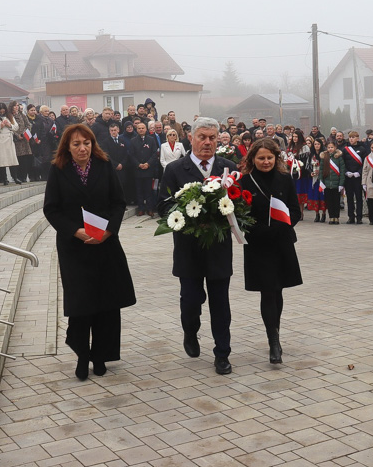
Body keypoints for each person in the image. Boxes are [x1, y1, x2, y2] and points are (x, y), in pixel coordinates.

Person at [43, 123, 136, 380]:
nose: (82, 148)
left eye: (86, 143)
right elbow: (51, 209)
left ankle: (100, 355)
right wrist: (75, 231)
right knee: (82, 303)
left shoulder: (104, 166)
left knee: (107, 302)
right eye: (76, 144)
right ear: (67, 147)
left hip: (105, 244)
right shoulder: (58, 170)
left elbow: (118, 202)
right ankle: (83, 355)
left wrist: (109, 230)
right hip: (75, 247)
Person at [158, 117, 237, 375]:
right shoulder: (175, 170)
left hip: (218, 248)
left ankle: (222, 354)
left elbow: (240, 205)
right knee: (191, 300)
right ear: (191, 139)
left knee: (220, 303)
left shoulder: (228, 168)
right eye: (202, 137)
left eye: (212, 138)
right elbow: (164, 205)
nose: (207, 143)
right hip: (188, 249)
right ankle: (190, 331)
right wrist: (188, 215)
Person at [239, 138, 302, 364]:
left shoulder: (285, 179)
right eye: (261, 158)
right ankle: (273, 341)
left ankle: (276, 332)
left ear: (276, 158)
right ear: (252, 159)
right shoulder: (245, 181)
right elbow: (240, 216)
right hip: (258, 244)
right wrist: (258, 231)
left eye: (269, 158)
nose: (265, 162)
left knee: (278, 291)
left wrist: (281, 226)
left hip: (281, 242)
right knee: (267, 291)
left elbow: (295, 211)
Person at [128, 122, 158, 217]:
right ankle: (141, 208)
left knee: (148, 190)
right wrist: (138, 164)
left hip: (148, 169)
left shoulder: (151, 140)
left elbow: (154, 153)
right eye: (139, 128)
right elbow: (131, 155)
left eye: (143, 128)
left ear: (146, 129)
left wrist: (148, 164)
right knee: (139, 190)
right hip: (138, 170)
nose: (141, 130)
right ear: (137, 129)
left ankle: (150, 209)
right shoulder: (133, 141)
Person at [341, 131, 368, 224]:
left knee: (359, 197)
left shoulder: (362, 149)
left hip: (358, 177)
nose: (351, 139)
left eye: (353, 137)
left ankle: (359, 217)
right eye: (350, 137)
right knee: (349, 198)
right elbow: (342, 163)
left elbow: (365, 163)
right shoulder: (345, 149)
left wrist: (359, 172)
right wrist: (346, 172)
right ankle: (351, 216)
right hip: (348, 178)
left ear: (357, 138)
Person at [320, 139, 345, 224]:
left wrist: (341, 184)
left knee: (336, 201)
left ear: (335, 147)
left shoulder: (339, 158)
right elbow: (321, 170)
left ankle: (336, 217)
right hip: (327, 183)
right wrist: (321, 182)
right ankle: (331, 217)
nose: (330, 149)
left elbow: (342, 171)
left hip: (336, 183)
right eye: (328, 147)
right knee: (329, 201)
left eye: (332, 147)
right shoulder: (324, 157)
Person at [286, 130, 309, 219]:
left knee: (300, 194)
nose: (295, 138)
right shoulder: (290, 147)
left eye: (296, 137)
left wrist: (298, 166)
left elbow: (305, 161)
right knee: (292, 194)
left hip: (300, 174)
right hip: (291, 174)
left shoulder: (304, 147)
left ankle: (301, 213)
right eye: (294, 137)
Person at [9, 102, 31, 183]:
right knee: (16, 159)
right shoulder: (9, 116)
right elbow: (9, 128)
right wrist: (17, 135)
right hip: (15, 140)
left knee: (24, 159)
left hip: (24, 140)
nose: (16, 107)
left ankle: (24, 176)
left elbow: (28, 125)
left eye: (17, 105)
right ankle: (16, 176)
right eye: (15, 106)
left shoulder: (22, 115)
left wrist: (24, 133)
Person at [307, 137, 325, 221]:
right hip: (314, 178)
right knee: (315, 196)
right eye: (315, 144)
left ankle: (324, 214)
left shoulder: (324, 154)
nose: (316, 146)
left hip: (322, 178)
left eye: (318, 144)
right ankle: (317, 214)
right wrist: (310, 172)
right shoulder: (311, 154)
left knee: (322, 196)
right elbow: (308, 165)